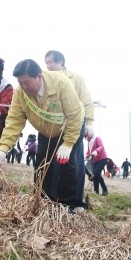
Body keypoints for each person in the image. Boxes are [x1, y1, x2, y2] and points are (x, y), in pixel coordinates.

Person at [0, 59, 85, 212]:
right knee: (42, 165)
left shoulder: (61, 82)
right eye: (20, 83)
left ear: (39, 76)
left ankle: (68, 206)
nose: (24, 87)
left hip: (70, 128)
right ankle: (42, 202)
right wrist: (3, 149)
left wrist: (67, 144)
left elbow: (74, 115)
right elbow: (14, 121)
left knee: (66, 164)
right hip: (46, 131)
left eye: (27, 82)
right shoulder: (20, 93)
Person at [45, 50, 94, 208]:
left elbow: (86, 101)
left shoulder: (76, 78)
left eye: (51, 62)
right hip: (54, 126)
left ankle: (75, 201)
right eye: (46, 63)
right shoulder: (46, 79)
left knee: (74, 163)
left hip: (74, 126)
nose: (48, 66)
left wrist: (90, 123)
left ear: (61, 62)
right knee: (54, 164)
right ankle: (54, 199)